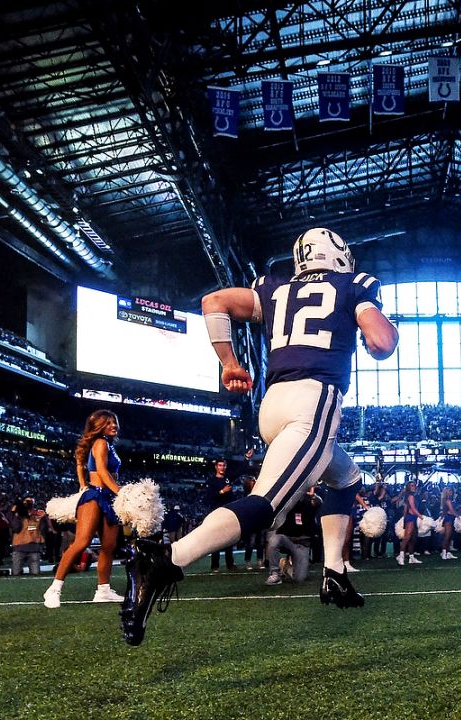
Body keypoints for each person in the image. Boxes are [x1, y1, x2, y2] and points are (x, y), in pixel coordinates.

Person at [120, 227, 398, 645]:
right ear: (339, 256)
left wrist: (229, 362)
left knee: (347, 477)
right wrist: (375, 340)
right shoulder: (353, 284)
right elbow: (382, 338)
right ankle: (165, 560)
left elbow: (213, 302)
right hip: (313, 399)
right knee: (264, 505)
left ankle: (335, 575)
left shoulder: (275, 288)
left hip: (274, 405)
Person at [43, 410, 126, 608]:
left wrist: (87, 484)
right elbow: (103, 472)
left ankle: (103, 590)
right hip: (95, 496)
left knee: (108, 547)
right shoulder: (100, 443)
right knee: (81, 542)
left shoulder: (108, 444)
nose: (113, 425)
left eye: (114, 422)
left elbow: (81, 464)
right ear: (98, 427)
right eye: (107, 423)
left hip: (108, 498)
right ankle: (53, 589)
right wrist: (121, 493)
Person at [266, 486, 321, 585]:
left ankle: (285, 566)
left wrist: (313, 496)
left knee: (299, 579)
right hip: (287, 539)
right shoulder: (286, 500)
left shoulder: (310, 500)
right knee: (274, 540)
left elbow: (318, 503)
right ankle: (275, 573)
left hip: (302, 543)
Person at [205, 459, 238, 572]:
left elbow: (240, 471)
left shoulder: (227, 479)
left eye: (224, 465)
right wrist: (222, 491)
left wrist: (247, 458)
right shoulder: (212, 481)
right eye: (220, 465)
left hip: (228, 512)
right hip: (216, 512)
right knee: (216, 539)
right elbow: (209, 498)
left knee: (229, 538)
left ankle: (230, 564)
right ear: (216, 467)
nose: (222, 467)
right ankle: (215, 565)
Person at [397, 479, 423, 565]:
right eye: (412, 486)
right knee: (407, 538)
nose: (414, 487)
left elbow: (405, 508)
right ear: (408, 487)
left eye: (414, 485)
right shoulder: (410, 496)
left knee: (413, 539)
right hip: (411, 518)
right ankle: (401, 557)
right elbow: (413, 508)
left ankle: (411, 557)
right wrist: (421, 516)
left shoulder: (412, 496)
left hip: (412, 518)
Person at [438, 487, 458, 560]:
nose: (451, 492)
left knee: (449, 537)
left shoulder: (448, 500)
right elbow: (452, 511)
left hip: (450, 518)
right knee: (447, 536)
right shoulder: (448, 500)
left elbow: (444, 511)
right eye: (449, 491)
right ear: (446, 492)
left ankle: (448, 552)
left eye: (451, 490)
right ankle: (443, 552)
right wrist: (459, 517)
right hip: (448, 519)